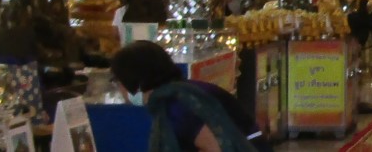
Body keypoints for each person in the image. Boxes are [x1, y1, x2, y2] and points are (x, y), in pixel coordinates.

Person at [109, 41, 267, 152]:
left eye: (117, 80)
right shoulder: (184, 92)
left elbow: (217, 148)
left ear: (131, 78)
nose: (118, 87)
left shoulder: (177, 106)